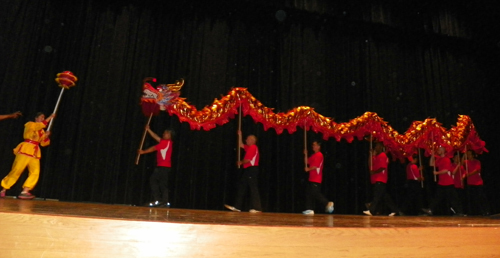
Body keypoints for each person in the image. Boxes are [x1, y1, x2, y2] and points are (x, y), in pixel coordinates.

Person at [1, 112, 55, 199]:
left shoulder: (41, 131)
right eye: (41, 117)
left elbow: (43, 144)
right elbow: (38, 126)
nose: (43, 119)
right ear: (36, 118)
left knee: (35, 172)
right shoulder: (30, 124)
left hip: (35, 153)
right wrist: (50, 117)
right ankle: (4, 189)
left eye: (43, 118)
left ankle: (25, 191)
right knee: (17, 170)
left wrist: (46, 136)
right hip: (25, 150)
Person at [224, 131, 262, 213]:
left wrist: (241, 162)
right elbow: (240, 145)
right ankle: (237, 207)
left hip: (252, 169)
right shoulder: (249, 148)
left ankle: (257, 207)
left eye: (247, 139)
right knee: (242, 187)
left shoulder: (253, 147)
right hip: (248, 169)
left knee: (253, 188)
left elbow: (248, 160)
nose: (246, 141)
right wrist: (240, 135)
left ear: (252, 140)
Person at [138, 125, 174, 207]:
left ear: (170, 136)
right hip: (161, 166)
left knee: (160, 183)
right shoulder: (165, 142)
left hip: (164, 167)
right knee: (156, 181)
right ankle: (160, 200)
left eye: (166, 133)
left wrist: (143, 152)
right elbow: (156, 137)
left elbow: (154, 148)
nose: (163, 134)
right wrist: (148, 130)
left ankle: (163, 201)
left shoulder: (166, 142)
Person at [422, 147, 464, 216]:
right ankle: (430, 209)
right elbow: (431, 164)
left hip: (448, 182)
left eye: (439, 150)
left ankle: (459, 211)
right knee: (437, 197)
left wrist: (437, 173)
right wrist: (432, 156)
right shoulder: (439, 159)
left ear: (443, 151)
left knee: (453, 198)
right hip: (442, 182)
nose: (438, 151)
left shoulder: (447, 159)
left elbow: (446, 170)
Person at [363, 141, 401, 216]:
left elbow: (383, 167)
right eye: (375, 146)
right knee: (385, 196)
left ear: (381, 147)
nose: (376, 147)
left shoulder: (383, 155)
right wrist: (371, 155)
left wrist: (374, 172)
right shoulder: (376, 156)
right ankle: (395, 210)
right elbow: (370, 164)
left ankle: (371, 210)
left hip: (380, 178)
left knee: (376, 196)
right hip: (376, 179)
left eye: (377, 146)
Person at [302, 140, 334, 215]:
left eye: (315, 145)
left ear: (318, 147)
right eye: (313, 145)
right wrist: (305, 154)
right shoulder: (313, 155)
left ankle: (327, 203)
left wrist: (308, 169)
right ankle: (309, 209)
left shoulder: (319, 155)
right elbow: (307, 162)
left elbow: (315, 166)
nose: (313, 146)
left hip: (316, 178)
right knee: (309, 193)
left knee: (315, 193)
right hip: (312, 177)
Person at [463, 150, 490, 216]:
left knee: (480, 198)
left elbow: (477, 170)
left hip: (477, 183)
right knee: (471, 199)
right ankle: (472, 212)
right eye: (467, 154)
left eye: (469, 154)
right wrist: (464, 153)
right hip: (470, 183)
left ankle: (485, 211)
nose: (468, 156)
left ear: (472, 155)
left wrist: (468, 174)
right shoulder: (466, 162)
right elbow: (461, 163)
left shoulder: (477, 162)